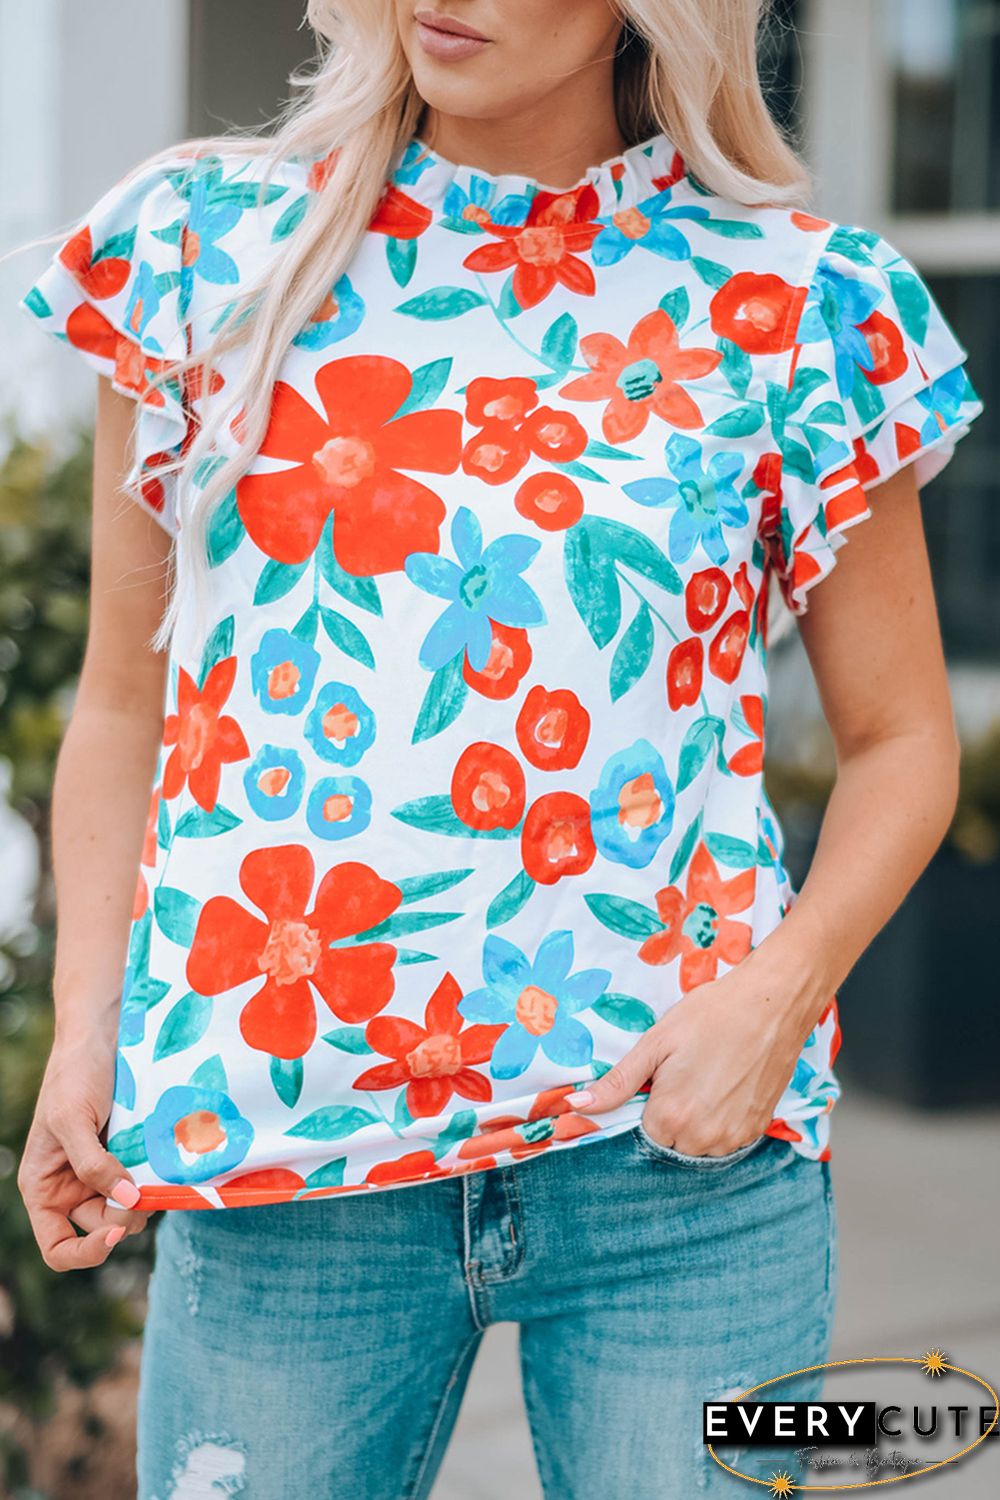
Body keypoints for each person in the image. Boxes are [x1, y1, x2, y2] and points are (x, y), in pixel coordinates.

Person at [14, 2, 982, 1495]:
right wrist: (88, 1029)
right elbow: (124, 706)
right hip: (284, 1166)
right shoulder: (201, 250)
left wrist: (774, 1006)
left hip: (678, 1168)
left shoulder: (800, 306)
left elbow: (907, 739)